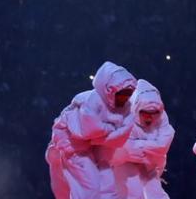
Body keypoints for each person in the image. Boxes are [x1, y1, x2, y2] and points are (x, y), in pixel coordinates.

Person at [46, 61, 137, 198]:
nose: (124, 98)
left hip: (98, 146)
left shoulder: (126, 108)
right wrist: (111, 129)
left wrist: (104, 133)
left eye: (128, 94)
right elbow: (88, 130)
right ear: (109, 89)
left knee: (107, 183)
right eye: (121, 93)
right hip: (73, 144)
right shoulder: (91, 101)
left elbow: (119, 138)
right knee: (89, 186)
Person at [112, 79, 175, 198]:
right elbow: (120, 149)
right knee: (132, 192)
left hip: (150, 165)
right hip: (124, 165)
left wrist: (137, 147)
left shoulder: (162, 118)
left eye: (154, 113)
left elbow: (162, 146)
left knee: (156, 194)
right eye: (145, 113)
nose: (149, 117)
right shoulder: (123, 115)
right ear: (137, 107)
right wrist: (149, 147)